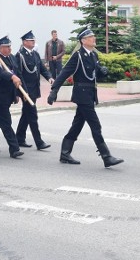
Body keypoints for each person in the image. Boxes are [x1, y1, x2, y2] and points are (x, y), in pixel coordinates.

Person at [47, 28, 124, 168]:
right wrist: (54, 90)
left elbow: (93, 75)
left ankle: (65, 153)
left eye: (93, 36)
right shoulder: (78, 56)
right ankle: (106, 156)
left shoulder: (93, 55)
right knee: (96, 125)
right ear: (83, 41)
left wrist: (102, 73)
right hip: (81, 94)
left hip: (89, 94)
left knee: (77, 125)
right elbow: (64, 73)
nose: (94, 38)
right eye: (91, 37)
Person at [0, 36, 24, 158]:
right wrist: (12, 77)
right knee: (6, 121)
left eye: (9, 46)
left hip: (9, 94)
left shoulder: (12, 58)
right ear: (0, 48)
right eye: (7, 47)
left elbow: (17, 74)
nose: (9, 49)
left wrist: (17, 94)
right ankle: (14, 148)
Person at [15, 30, 52, 150]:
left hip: (34, 88)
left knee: (26, 114)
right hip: (26, 90)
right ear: (25, 42)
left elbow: (41, 68)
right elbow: (19, 74)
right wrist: (24, 92)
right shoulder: (20, 55)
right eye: (31, 40)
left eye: (33, 40)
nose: (33, 42)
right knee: (32, 115)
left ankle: (19, 138)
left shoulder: (35, 54)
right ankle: (39, 142)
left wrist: (49, 78)